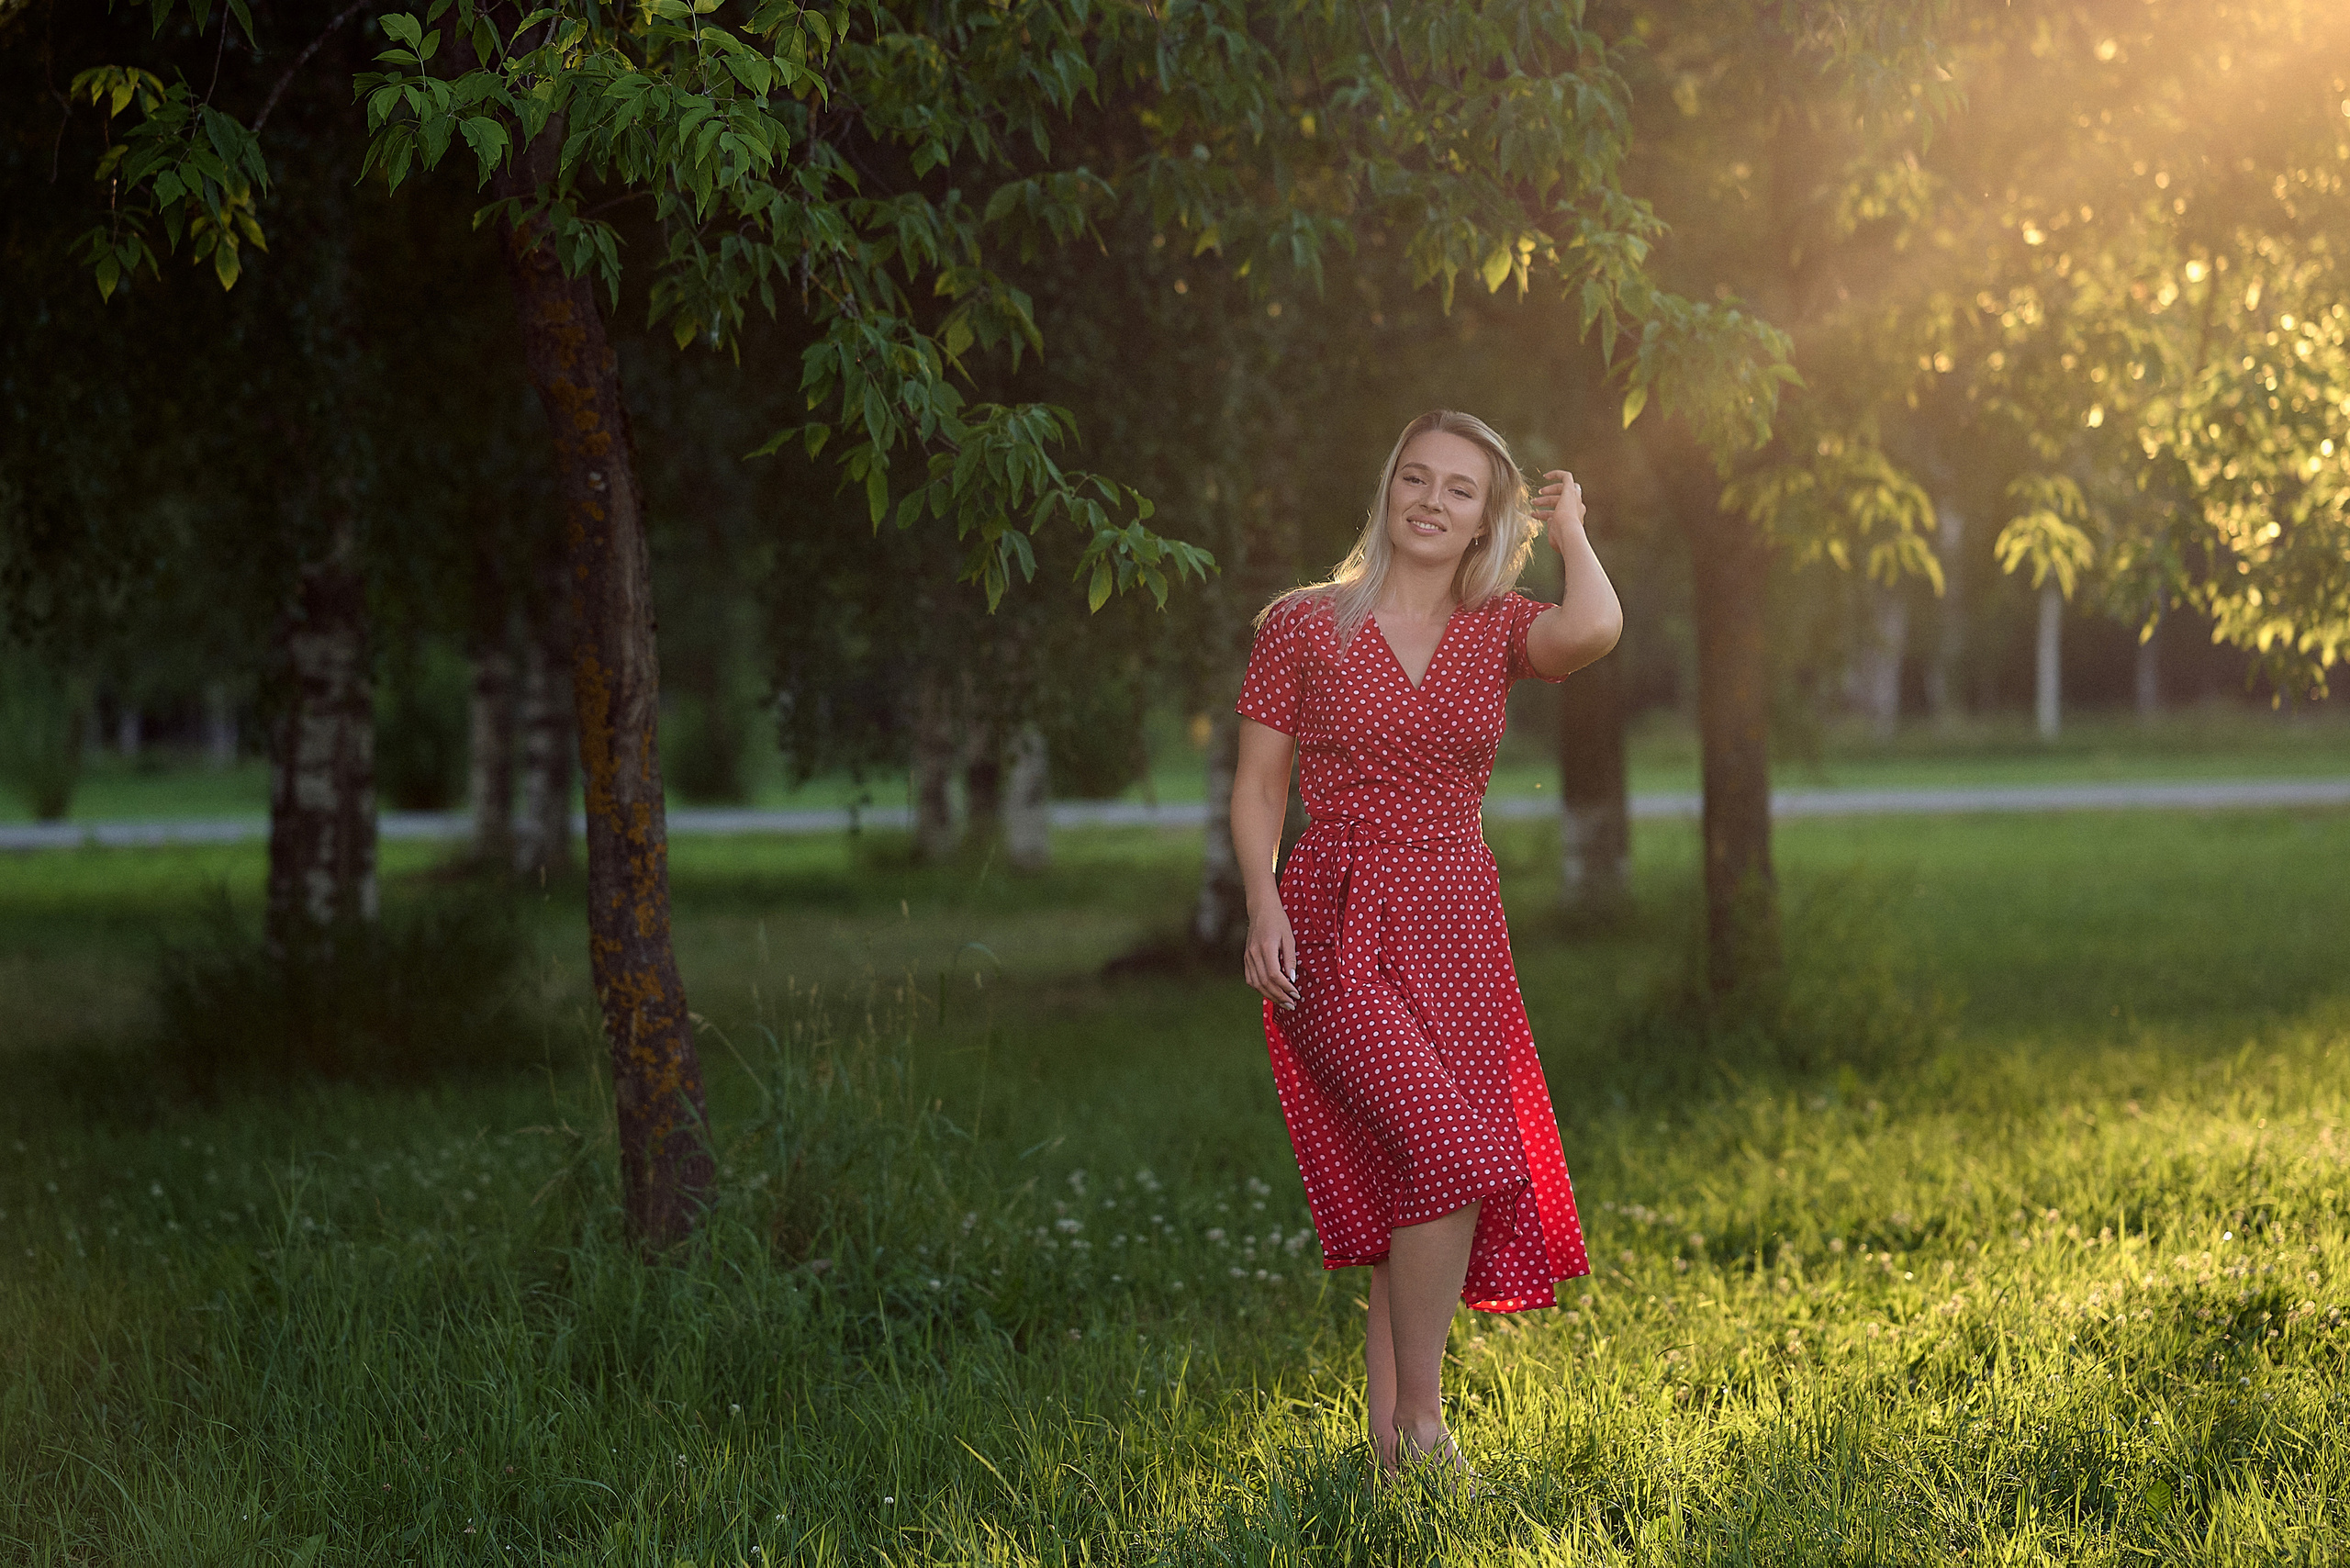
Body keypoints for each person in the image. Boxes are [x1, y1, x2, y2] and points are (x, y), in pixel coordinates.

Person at [1229, 409, 1622, 1484]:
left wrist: (1570, 529)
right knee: (1454, 1154)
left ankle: (1390, 1463)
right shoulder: (1302, 625)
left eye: (1459, 488)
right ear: (1387, 489)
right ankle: (1426, 1426)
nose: (1432, 501)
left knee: (1421, 1175)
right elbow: (1258, 785)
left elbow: (1594, 628)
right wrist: (1261, 903)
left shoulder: (1496, 628)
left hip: (1456, 925)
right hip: (1334, 920)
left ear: (1487, 519)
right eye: (1416, 477)